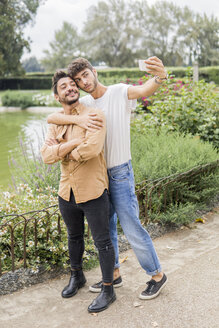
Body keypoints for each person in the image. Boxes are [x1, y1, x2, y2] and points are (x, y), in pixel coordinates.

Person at [47, 57, 168, 300]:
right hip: (98, 176)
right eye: (78, 80)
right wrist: (77, 119)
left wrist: (160, 77)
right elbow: (53, 116)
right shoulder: (86, 103)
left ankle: (156, 275)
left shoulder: (118, 91)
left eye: (85, 75)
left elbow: (145, 89)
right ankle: (113, 273)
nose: (83, 82)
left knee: (131, 226)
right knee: (107, 228)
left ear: (94, 71)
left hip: (120, 172)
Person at [41, 70, 116, 313]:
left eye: (73, 84)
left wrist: (62, 150)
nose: (71, 88)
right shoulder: (56, 122)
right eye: (64, 86)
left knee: (102, 242)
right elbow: (46, 156)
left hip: (93, 190)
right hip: (67, 192)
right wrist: (73, 143)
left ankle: (108, 289)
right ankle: (77, 276)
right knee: (74, 238)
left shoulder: (95, 115)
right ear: (56, 96)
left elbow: (91, 150)